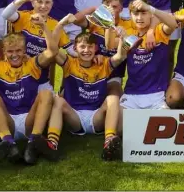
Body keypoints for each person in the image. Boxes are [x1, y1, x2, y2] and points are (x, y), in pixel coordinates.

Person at [0, 17, 59, 166]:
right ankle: (8, 143)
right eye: (10, 51)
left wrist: (43, 25)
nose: (14, 54)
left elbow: (53, 51)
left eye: (18, 50)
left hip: (30, 120)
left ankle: (34, 141)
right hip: (7, 121)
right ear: (3, 51)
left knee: (46, 94)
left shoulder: (32, 63)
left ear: (24, 50)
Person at [35, 15, 128, 162]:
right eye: (82, 47)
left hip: (97, 118)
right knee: (58, 101)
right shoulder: (69, 63)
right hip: (75, 117)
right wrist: (59, 25)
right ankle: (52, 145)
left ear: (96, 48)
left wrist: (122, 38)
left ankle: (109, 142)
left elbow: (121, 56)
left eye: (90, 47)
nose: (86, 50)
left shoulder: (103, 64)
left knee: (113, 98)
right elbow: (52, 49)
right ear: (75, 48)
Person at [1, 0, 71, 94]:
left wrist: (95, 55)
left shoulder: (55, 25)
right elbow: (6, 14)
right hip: (19, 77)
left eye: (47, 2)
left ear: (52, 4)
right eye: (40, 2)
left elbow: (71, 51)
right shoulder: (24, 17)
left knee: (50, 104)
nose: (43, 6)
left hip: (41, 80)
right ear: (33, 3)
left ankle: (65, 93)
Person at [119, 0, 179, 113]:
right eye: (136, 14)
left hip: (156, 95)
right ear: (130, 15)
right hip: (131, 95)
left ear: (150, 14)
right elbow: (112, 49)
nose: (139, 18)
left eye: (144, 13)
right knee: (120, 127)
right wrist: (120, 37)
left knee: (161, 127)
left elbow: (173, 23)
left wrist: (150, 9)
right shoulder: (128, 34)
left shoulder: (159, 31)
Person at [71, 0, 132, 97]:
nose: (110, 10)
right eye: (107, 7)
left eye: (114, 7)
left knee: (115, 98)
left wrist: (110, 23)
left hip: (114, 74)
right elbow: (74, 20)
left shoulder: (128, 25)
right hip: (92, 70)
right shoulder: (96, 21)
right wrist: (95, 8)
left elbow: (111, 45)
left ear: (121, 9)